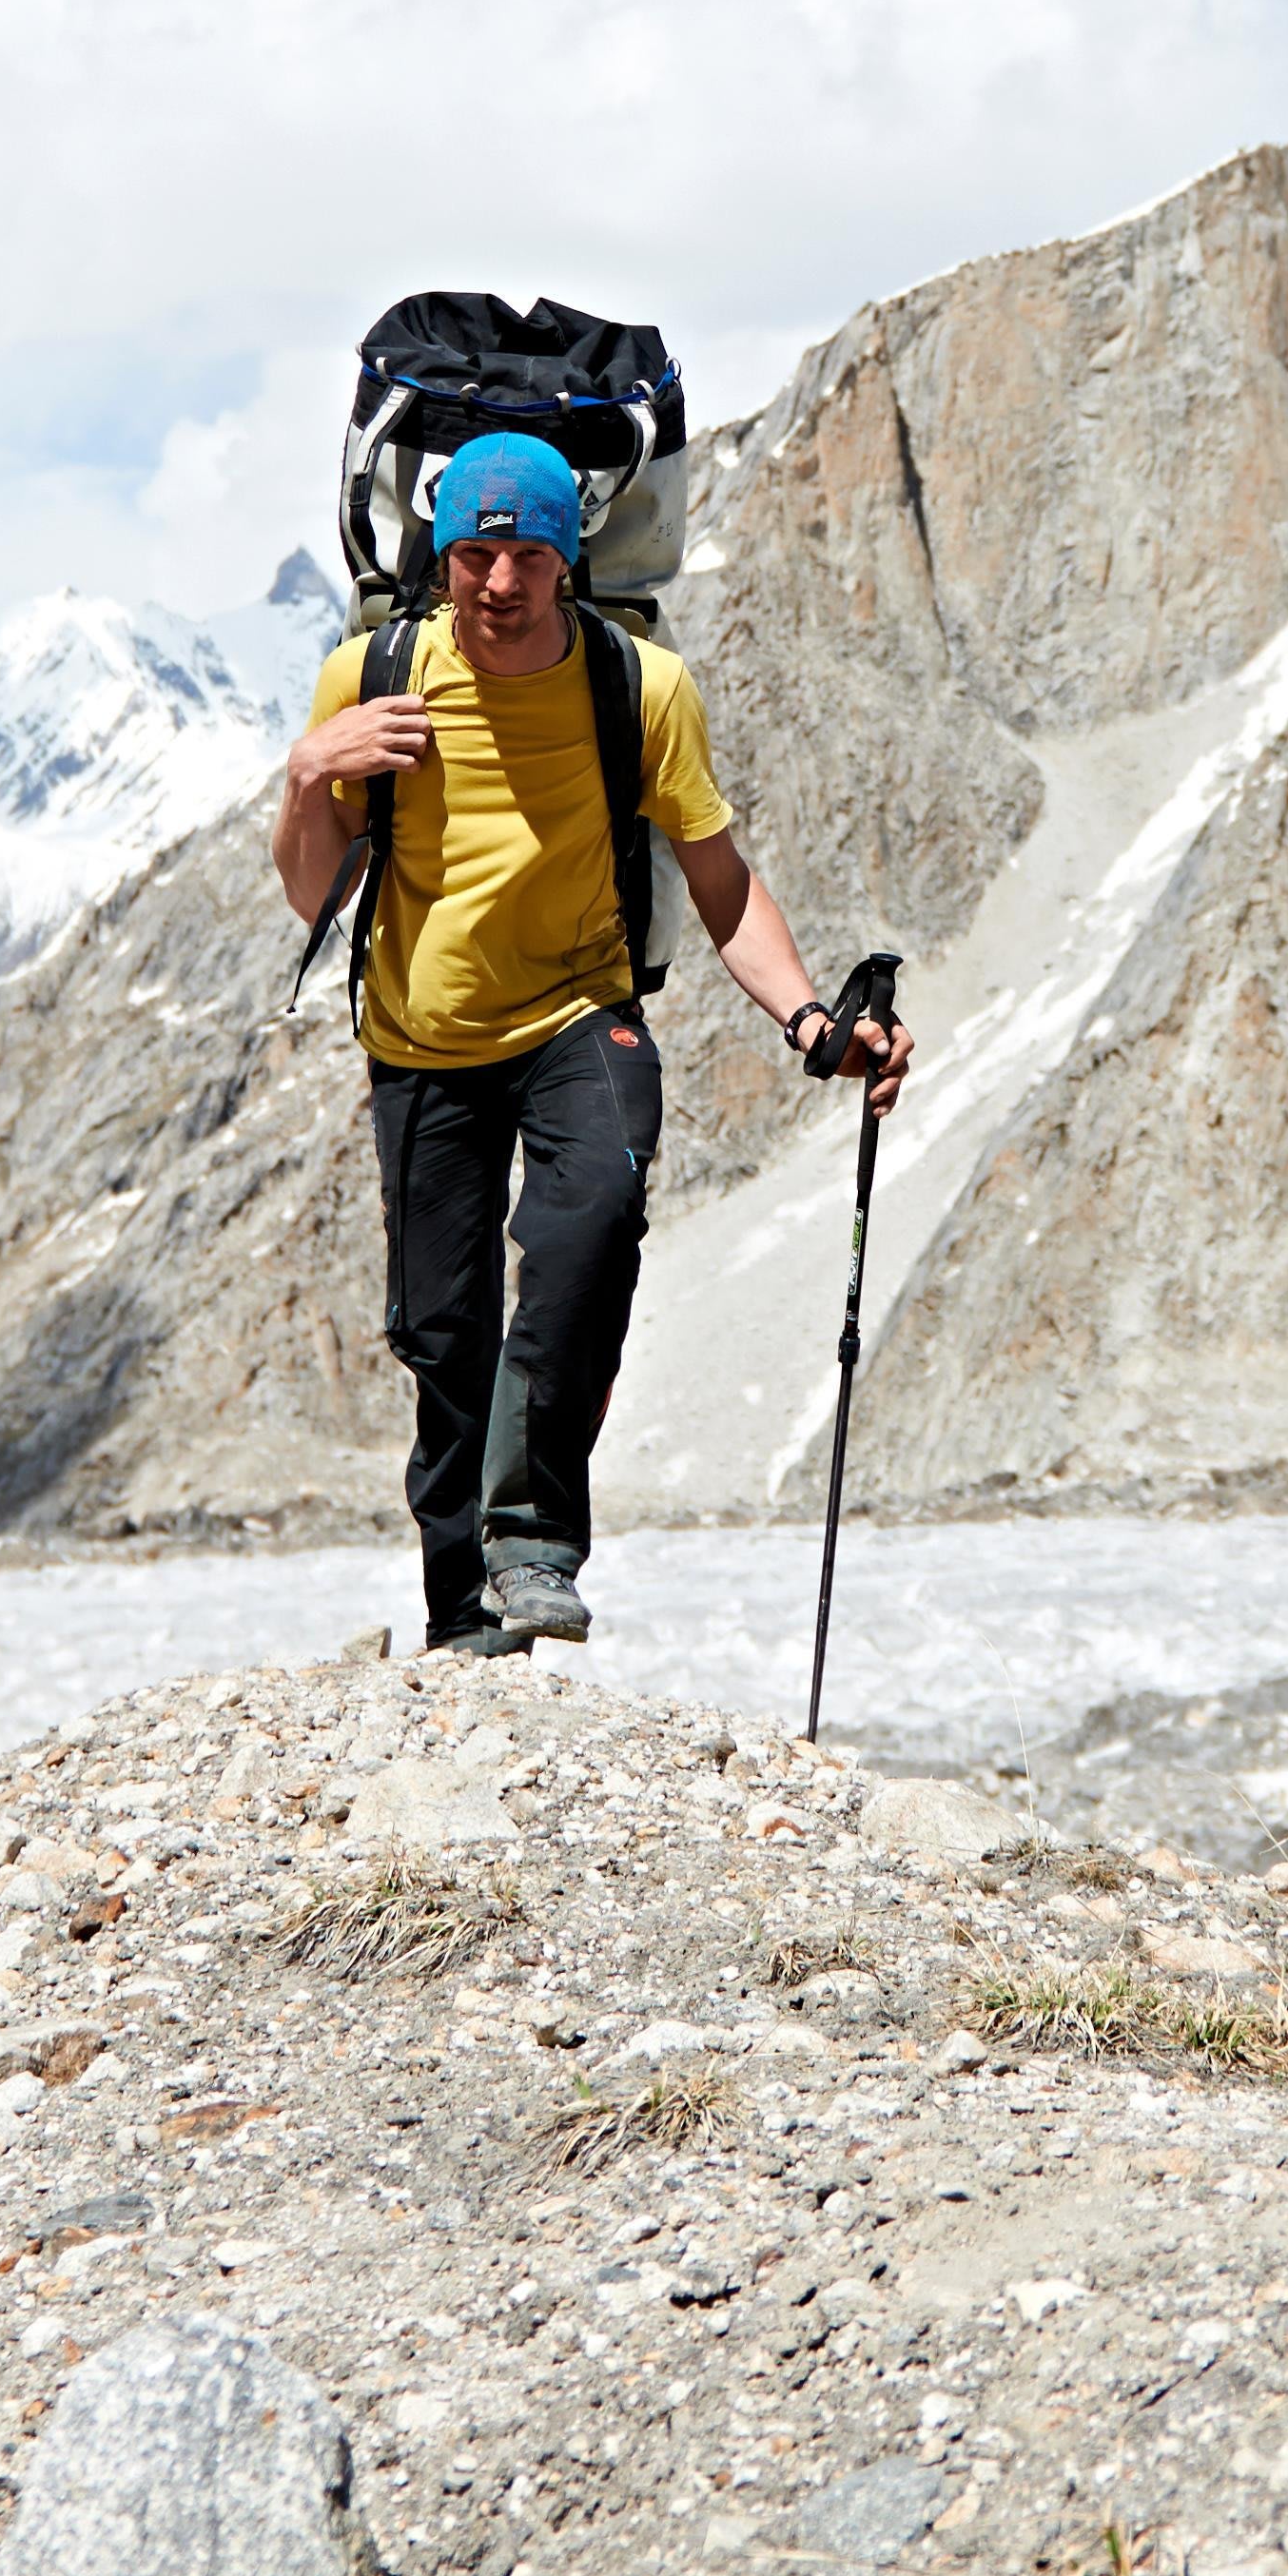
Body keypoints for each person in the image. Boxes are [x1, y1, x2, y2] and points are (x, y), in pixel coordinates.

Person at [279, 430, 909, 1656]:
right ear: (441, 556)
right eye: (473, 555)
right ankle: (463, 1620)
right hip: (419, 1037)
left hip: (581, 1012)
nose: (497, 585)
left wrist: (812, 1023)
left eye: (523, 555)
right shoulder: (374, 678)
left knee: (592, 1222)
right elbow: (315, 897)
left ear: (568, 557)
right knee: (445, 1336)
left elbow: (720, 884)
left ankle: (531, 1548)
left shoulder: (641, 688)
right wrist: (311, 772)